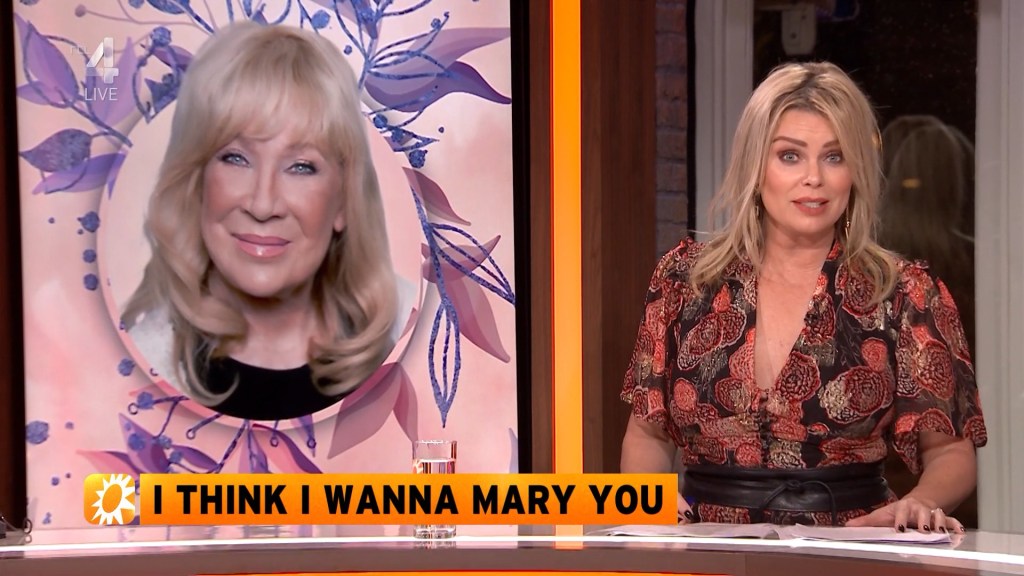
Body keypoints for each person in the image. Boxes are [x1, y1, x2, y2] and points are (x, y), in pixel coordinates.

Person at [620, 62, 987, 531]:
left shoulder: (902, 293)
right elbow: (647, 435)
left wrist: (919, 502)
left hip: (849, 547)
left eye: (834, 157)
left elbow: (951, 452)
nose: (814, 177)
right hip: (707, 547)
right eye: (790, 156)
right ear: (756, 165)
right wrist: (653, 510)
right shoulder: (684, 281)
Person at [122, 22, 401, 421]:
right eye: (236, 158)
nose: (263, 204)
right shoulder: (132, 371)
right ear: (197, 184)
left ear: (343, 202)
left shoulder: (418, 343)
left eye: (301, 166)